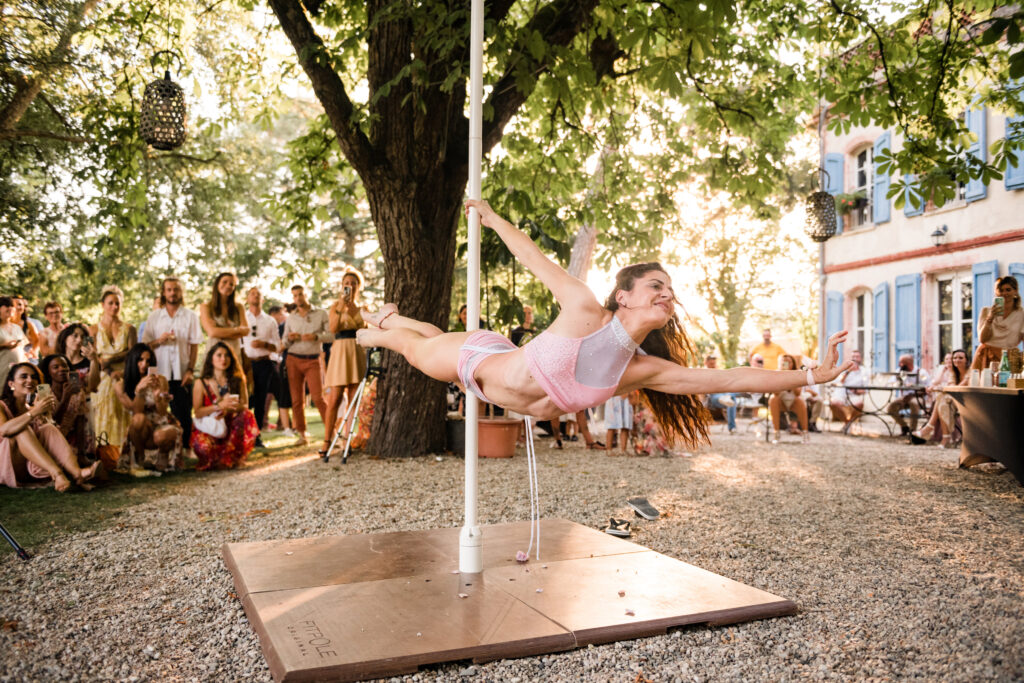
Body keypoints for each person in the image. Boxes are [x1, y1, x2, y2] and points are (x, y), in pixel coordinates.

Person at [356, 200, 851, 449]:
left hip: (499, 360)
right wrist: (489, 217)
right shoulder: (583, 309)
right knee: (414, 347)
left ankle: (392, 319)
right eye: (655, 285)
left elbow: (731, 379)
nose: (666, 293)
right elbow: (532, 257)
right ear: (623, 297)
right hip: (478, 360)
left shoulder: (641, 370)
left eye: (670, 289)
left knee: (433, 337)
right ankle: (378, 328)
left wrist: (813, 374)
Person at [0, 362, 101, 491]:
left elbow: (51, 436)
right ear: (11, 384)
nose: (30, 380)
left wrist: (43, 414)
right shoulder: (2, 405)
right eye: (24, 376)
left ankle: (77, 472)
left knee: (48, 428)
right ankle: (57, 474)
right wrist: (34, 412)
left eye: (33, 377)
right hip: (6, 464)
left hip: (28, 465)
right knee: (22, 430)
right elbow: (3, 430)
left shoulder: (33, 406)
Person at [142, 277, 202, 446]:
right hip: (160, 374)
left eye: (176, 289)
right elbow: (145, 346)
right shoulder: (154, 317)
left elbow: (194, 346)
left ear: (181, 292)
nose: (172, 293)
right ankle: (159, 447)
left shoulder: (190, 316)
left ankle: (185, 448)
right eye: (169, 289)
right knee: (156, 412)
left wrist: (190, 370)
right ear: (163, 293)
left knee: (184, 413)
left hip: (181, 373)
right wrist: (159, 341)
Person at [191, 342, 258, 469]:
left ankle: (233, 457)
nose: (223, 359)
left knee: (246, 415)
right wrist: (218, 406)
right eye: (219, 355)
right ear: (211, 359)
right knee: (205, 450)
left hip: (231, 424)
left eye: (227, 355)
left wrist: (227, 410)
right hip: (209, 426)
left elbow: (245, 405)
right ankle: (219, 458)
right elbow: (198, 412)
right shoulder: (201, 383)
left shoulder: (238, 379)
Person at [118, 343, 184, 471]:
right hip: (141, 430)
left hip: (161, 424)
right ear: (133, 361)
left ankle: (163, 454)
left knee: (160, 435)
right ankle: (140, 455)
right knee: (139, 418)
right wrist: (139, 391)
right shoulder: (122, 385)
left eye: (148, 361)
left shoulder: (161, 380)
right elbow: (136, 412)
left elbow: (162, 412)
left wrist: (157, 397)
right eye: (140, 360)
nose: (144, 364)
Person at [323, 268, 367, 457]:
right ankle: (327, 440)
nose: (350, 286)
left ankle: (347, 441)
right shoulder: (336, 306)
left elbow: (365, 329)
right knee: (335, 398)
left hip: (356, 351)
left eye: (353, 283)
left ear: (358, 286)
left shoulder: (363, 308)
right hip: (340, 351)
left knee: (353, 398)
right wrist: (342, 307)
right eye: (346, 283)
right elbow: (333, 328)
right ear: (342, 286)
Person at [90, 285, 137, 451]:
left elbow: (133, 354)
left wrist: (111, 359)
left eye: (118, 303)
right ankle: (103, 451)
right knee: (103, 412)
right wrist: (107, 369)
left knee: (122, 412)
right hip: (102, 377)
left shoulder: (129, 329)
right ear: (102, 305)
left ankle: (123, 451)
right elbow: (93, 356)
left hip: (123, 375)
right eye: (110, 303)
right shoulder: (93, 329)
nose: (114, 307)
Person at [282, 284, 331, 443]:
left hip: (313, 359)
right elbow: (284, 341)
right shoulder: (291, 317)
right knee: (297, 400)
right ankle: (302, 435)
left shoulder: (321, 313)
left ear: (306, 294)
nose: (298, 298)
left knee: (318, 398)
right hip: (293, 359)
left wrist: (316, 337)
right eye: (295, 296)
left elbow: (332, 335)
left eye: (300, 294)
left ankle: (331, 433)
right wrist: (290, 338)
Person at [199, 272, 252, 389]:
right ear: (217, 284)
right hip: (214, 354)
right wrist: (237, 330)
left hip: (234, 355)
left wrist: (220, 331)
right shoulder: (206, 307)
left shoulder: (239, 307)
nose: (228, 286)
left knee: (235, 389)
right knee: (211, 389)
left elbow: (246, 331)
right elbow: (212, 332)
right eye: (225, 282)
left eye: (231, 284)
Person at [243, 287, 280, 448]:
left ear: (262, 299)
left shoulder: (270, 321)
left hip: (264, 363)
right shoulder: (242, 318)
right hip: (245, 364)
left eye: (258, 294)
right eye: (252, 294)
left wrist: (264, 345)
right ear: (247, 299)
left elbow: (278, 346)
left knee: (260, 400)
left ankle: (256, 436)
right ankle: (241, 434)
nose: (255, 296)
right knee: (245, 399)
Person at [39, 354, 95, 461]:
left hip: (71, 439)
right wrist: (65, 399)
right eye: (56, 367)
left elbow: (80, 423)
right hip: (50, 439)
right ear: (48, 372)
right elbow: (50, 421)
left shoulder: (77, 392)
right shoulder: (43, 392)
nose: (62, 369)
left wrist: (81, 453)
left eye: (65, 366)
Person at [913, 348, 969, 447]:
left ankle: (931, 429)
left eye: (960, 358)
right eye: (955, 358)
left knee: (941, 398)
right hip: (954, 400)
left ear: (966, 360)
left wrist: (941, 388)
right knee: (942, 402)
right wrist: (942, 388)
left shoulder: (970, 372)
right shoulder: (953, 373)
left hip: (968, 401)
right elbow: (951, 387)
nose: (957, 360)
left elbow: (958, 387)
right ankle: (944, 438)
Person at [972, 275, 1024, 370]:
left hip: (1010, 358)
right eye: (1001, 290)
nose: (1004, 293)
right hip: (986, 357)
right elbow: (982, 339)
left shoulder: (1022, 314)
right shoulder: (986, 311)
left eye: (1008, 290)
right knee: (982, 380)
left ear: (1015, 291)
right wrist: (990, 318)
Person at [768, 354, 811, 443]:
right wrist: (782, 378)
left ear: (793, 363)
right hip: (781, 402)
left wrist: (790, 380)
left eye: (789, 362)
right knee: (773, 400)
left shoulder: (798, 373)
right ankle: (776, 432)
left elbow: (798, 393)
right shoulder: (776, 373)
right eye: (784, 362)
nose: (786, 364)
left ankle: (805, 432)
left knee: (800, 401)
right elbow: (775, 393)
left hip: (794, 402)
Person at [884, 353, 928, 436]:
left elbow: (927, 387)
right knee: (891, 408)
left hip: (917, 396)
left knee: (914, 403)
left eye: (901, 363)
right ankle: (904, 426)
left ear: (908, 363)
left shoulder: (921, 372)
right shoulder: (900, 371)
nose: (899, 364)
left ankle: (912, 431)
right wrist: (896, 383)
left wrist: (914, 387)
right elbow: (890, 382)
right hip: (904, 398)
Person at [267, 305, 294, 436]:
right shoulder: (280, 326)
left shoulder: (285, 325)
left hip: (286, 362)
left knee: (286, 395)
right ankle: (286, 425)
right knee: (281, 395)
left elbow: (280, 346)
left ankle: (288, 425)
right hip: (280, 362)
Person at [828, 348, 866, 434]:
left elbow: (865, 390)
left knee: (860, 404)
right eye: (853, 357)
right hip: (841, 393)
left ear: (860, 358)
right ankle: (847, 423)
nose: (855, 359)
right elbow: (839, 382)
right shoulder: (844, 370)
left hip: (854, 395)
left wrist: (854, 391)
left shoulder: (864, 371)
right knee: (833, 403)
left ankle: (847, 424)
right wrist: (848, 372)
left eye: (857, 357)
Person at [55, 323, 101, 391]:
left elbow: (93, 387)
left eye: (82, 337)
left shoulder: (90, 361)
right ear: (65, 338)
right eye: (75, 336)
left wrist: (93, 360)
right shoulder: (55, 362)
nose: (79, 340)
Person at [703, 353, 737, 434]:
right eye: (711, 364)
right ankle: (732, 427)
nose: (713, 366)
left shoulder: (719, 372)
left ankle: (727, 397)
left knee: (732, 398)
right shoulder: (703, 373)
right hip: (713, 396)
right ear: (706, 363)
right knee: (732, 400)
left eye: (714, 363)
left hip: (725, 392)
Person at [0, 296, 29, 374]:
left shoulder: (17, 327)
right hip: (2, 369)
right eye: (7, 305)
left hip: (18, 370)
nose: (10, 308)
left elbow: (24, 347)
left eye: (12, 306)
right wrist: (4, 346)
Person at [9, 295, 40, 361]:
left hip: (21, 359)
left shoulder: (28, 324)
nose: (17, 307)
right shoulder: (4, 323)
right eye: (13, 304)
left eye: (20, 304)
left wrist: (33, 351)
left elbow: (37, 340)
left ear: (24, 307)